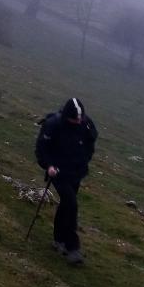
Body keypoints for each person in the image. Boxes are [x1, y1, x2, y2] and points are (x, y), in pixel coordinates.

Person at [34, 97, 98, 265]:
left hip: (76, 172)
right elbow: (42, 148)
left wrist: (85, 159)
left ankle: (58, 239)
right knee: (71, 204)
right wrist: (48, 166)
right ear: (66, 116)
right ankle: (73, 248)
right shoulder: (53, 124)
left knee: (66, 204)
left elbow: (91, 141)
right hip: (58, 173)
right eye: (75, 119)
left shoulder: (85, 123)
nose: (78, 121)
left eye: (80, 118)